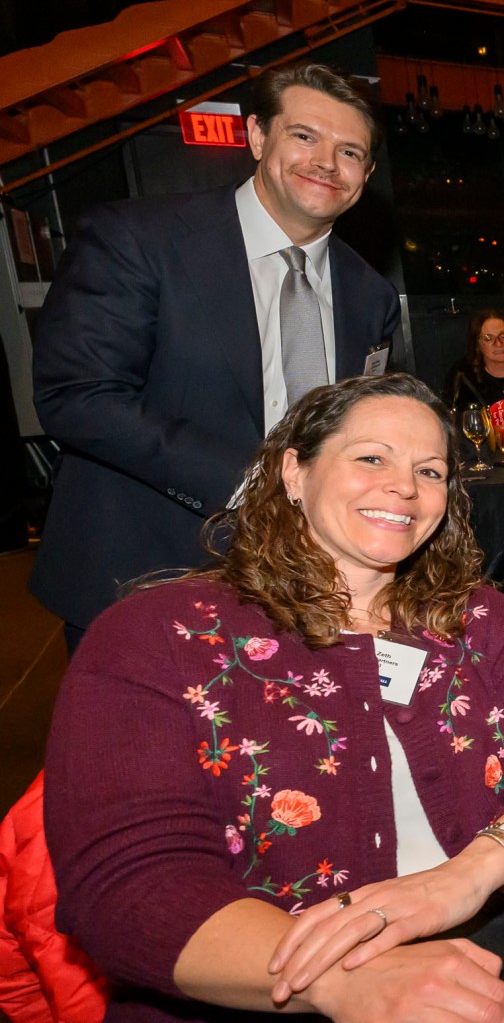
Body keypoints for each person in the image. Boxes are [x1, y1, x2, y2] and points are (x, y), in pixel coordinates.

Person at [43, 373, 504, 1023]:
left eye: (430, 471)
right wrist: (336, 977)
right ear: (293, 472)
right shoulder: (157, 635)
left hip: (482, 948)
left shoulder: (478, 618)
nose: (404, 487)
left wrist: (468, 876)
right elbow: (130, 885)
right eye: (371, 458)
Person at [30, 62, 401, 650]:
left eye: (349, 151)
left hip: (309, 586)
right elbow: (77, 396)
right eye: (305, 136)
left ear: (367, 173)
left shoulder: (371, 295)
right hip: (145, 575)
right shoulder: (137, 239)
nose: (327, 163)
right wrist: (251, 482)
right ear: (257, 136)